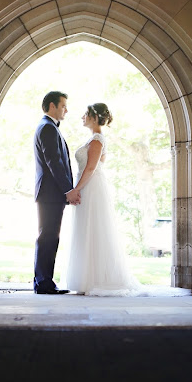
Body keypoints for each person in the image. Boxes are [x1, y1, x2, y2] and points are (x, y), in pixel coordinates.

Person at [65, 103, 144, 296]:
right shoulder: (94, 139)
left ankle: (98, 279)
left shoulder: (97, 139)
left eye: (85, 114)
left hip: (91, 188)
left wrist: (76, 189)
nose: (82, 117)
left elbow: (91, 168)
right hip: (90, 185)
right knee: (88, 229)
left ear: (93, 117)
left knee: (94, 229)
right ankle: (87, 278)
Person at [33, 91, 80, 294]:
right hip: (50, 194)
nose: (66, 110)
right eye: (63, 106)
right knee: (48, 237)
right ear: (52, 106)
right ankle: (43, 283)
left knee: (50, 236)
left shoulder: (49, 127)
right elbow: (54, 162)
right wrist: (68, 190)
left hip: (50, 194)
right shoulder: (47, 128)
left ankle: (44, 281)